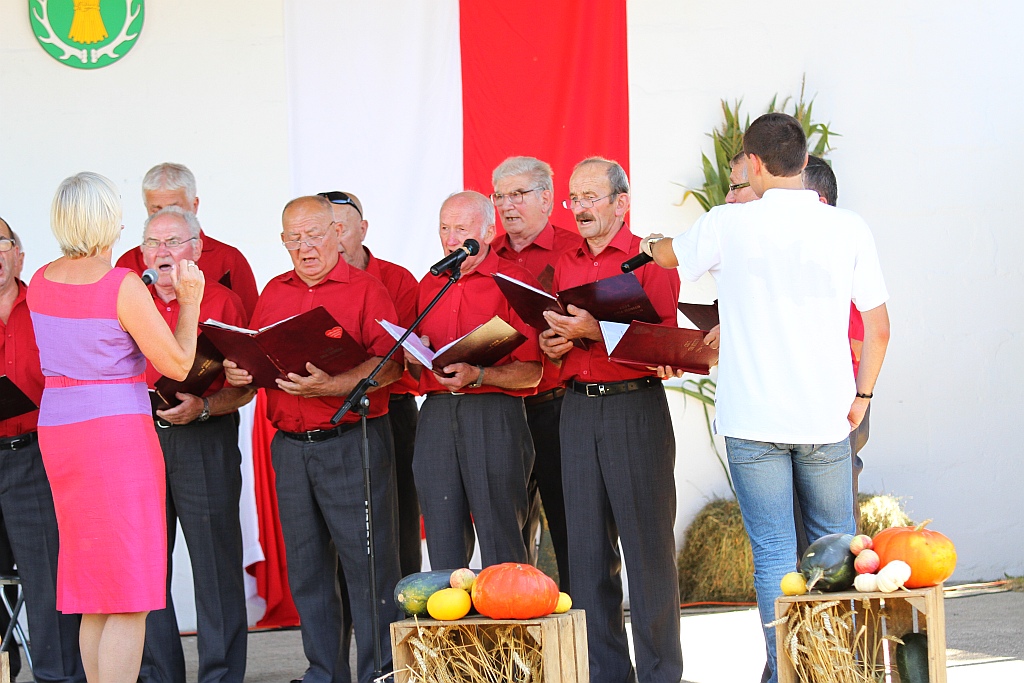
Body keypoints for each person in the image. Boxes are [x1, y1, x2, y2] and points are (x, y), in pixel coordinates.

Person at [646, 113, 890, 683]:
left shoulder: (727, 223)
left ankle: (786, 671)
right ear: (805, 163)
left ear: (752, 165)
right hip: (828, 417)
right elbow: (878, 329)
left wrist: (647, 241)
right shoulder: (847, 226)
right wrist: (862, 396)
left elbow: (667, 258)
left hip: (752, 421)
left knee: (774, 554)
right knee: (837, 550)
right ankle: (841, 670)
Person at [28, 172, 204, 683]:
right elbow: (175, 364)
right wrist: (189, 301)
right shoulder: (120, 285)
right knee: (128, 590)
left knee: (92, 590)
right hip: (114, 438)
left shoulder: (40, 280)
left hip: (60, 430)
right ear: (108, 221)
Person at [222, 195, 403, 683]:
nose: (306, 247)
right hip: (290, 448)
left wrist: (332, 385)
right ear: (283, 242)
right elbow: (259, 363)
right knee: (307, 570)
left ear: (337, 234)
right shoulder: (273, 293)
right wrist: (241, 370)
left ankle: (379, 674)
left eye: (315, 234)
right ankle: (324, 672)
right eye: (294, 238)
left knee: (368, 571)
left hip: (352, 440)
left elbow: (392, 364)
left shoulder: (367, 290)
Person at [538, 158, 683, 683]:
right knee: (587, 553)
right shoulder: (563, 261)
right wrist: (551, 342)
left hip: (635, 406)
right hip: (575, 408)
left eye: (590, 197)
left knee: (647, 551)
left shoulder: (652, 259)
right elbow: (553, 338)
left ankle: (662, 674)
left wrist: (598, 332)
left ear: (622, 203)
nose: (579, 208)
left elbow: (669, 344)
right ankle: (606, 674)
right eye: (573, 199)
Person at [137, 207, 254, 683]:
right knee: (145, 568)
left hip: (204, 437)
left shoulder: (224, 302)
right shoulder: (130, 299)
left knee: (215, 564)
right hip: (140, 440)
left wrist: (203, 408)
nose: (162, 253)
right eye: (152, 243)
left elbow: (246, 386)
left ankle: (221, 676)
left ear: (198, 248)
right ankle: (158, 675)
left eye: (173, 242)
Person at [318, 190, 421, 683]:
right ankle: (336, 661)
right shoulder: (308, 281)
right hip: (330, 414)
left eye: (342, 224)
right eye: (324, 226)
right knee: (332, 551)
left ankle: (397, 656)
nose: (333, 234)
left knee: (392, 534)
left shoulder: (394, 279)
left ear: (362, 229)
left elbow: (401, 353)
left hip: (389, 412)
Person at [411, 191, 543, 570]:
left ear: (487, 231)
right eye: (444, 228)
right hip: (436, 414)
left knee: (501, 532)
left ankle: (509, 627)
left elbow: (532, 370)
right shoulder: (430, 283)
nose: (451, 240)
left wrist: (479, 374)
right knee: (441, 532)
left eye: (461, 229)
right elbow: (422, 365)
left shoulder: (513, 280)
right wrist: (415, 352)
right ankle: (452, 627)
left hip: (493, 412)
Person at [0, 218, 85, 683]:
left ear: (19, 255)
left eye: (1, 243)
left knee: (46, 573)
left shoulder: (48, 306)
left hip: (36, 453)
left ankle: (59, 676)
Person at [490, 157, 578, 588]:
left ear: (546, 198)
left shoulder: (575, 251)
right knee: (507, 544)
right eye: (499, 196)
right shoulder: (483, 257)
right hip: (501, 410)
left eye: (518, 194)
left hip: (560, 410)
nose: (507, 205)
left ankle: (590, 650)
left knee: (577, 534)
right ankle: (518, 650)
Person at [117, 163, 259, 317]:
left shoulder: (229, 259)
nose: (167, 216)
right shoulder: (127, 263)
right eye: (155, 209)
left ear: (195, 205)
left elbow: (248, 327)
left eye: (174, 208)